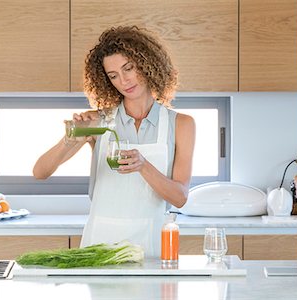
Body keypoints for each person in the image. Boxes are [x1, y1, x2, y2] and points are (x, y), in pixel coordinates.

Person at [33, 26, 195, 257]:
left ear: (147, 64)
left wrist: (143, 166)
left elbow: (180, 198)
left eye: (128, 68)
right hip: (100, 244)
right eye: (113, 75)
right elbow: (40, 171)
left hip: (150, 245)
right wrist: (71, 139)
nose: (124, 80)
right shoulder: (99, 121)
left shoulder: (181, 124)